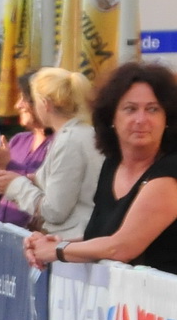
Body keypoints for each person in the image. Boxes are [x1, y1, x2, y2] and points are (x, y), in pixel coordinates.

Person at [26, 60, 177, 275]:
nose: (141, 119)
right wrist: (49, 244)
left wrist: (57, 250)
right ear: (111, 117)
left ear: (167, 119)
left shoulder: (170, 172)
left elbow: (122, 247)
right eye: (130, 109)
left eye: (153, 109)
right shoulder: (112, 164)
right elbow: (100, 238)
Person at [0, 68, 101, 238]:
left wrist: (16, 185)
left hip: (71, 245)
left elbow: (54, 211)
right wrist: (30, 180)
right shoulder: (81, 133)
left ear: (46, 104)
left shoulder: (68, 141)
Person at [0, 73, 50, 228]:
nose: (18, 105)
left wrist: (8, 166)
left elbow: (48, 188)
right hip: (6, 237)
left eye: (24, 99)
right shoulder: (20, 140)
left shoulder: (60, 144)